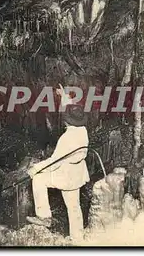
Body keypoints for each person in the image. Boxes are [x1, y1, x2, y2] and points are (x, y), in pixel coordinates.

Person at [25, 86, 89, 241]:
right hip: (77, 173)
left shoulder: (67, 139)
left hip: (65, 174)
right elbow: (70, 110)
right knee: (74, 207)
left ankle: (44, 216)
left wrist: (35, 168)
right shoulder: (82, 131)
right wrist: (63, 97)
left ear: (67, 120)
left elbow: (54, 161)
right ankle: (78, 238)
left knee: (39, 179)